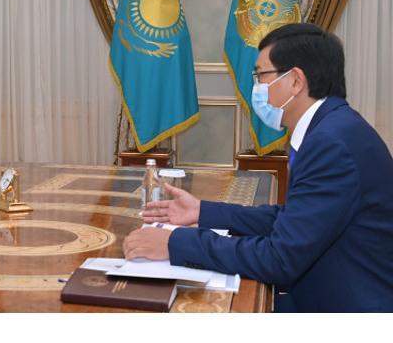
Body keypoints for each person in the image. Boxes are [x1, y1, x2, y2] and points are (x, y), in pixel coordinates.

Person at [124, 23, 393, 312]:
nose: (257, 87)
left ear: (296, 81)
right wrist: (202, 212)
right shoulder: (333, 127)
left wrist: (175, 243)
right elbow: (291, 218)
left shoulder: (331, 144)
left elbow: (279, 258)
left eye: (261, 75)